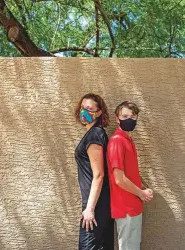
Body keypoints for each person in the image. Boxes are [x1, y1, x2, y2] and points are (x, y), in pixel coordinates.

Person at [107, 101, 153, 250]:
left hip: (133, 205)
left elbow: (129, 173)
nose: (129, 120)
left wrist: (142, 188)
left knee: (133, 246)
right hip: (125, 206)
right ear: (117, 118)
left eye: (133, 117)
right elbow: (119, 179)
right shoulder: (117, 141)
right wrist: (141, 193)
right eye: (125, 116)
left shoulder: (127, 140)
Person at [74, 93, 114, 250]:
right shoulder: (94, 134)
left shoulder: (95, 134)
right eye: (83, 108)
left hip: (96, 206)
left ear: (99, 113)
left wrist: (90, 208)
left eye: (89, 109)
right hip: (100, 203)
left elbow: (99, 175)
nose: (84, 112)